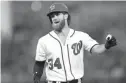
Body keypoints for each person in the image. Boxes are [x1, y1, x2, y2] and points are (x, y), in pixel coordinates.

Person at [33, 3, 117, 83]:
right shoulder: (44, 40)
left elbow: (96, 49)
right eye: (52, 16)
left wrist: (106, 46)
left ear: (65, 15)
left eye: (57, 14)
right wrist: (36, 78)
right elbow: (39, 63)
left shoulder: (80, 36)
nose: (54, 18)